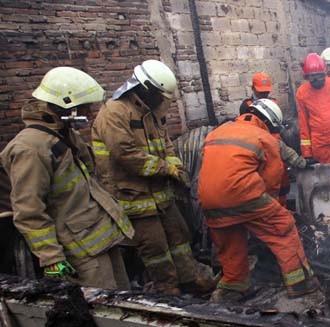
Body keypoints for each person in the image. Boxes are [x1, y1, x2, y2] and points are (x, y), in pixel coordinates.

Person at [0, 67, 134, 289]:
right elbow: (29, 212)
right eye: (85, 107)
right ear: (66, 105)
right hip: (79, 255)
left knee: (125, 300)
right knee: (104, 312)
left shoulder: (64, 134)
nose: (90, 113)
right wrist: (54, 262)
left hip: (99, 241)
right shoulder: (30, 149)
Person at [92, 59, 214, 296]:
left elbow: (166, 145)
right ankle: (167, 288)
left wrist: (177, 168)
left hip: (160, 194)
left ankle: (191, 279)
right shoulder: (114, 113)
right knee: (155, 247)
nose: (163, 101)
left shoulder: (150, 112)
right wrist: (165, 170)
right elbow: (126, 154)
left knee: (179, 237)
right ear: (146, 88)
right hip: (134, 196)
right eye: (160, 95)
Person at [198, 99, 319, 302]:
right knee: (283, 228)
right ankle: (300, 283)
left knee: (231, 243)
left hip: (209, 201)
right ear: (267, 121)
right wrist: (272, 209)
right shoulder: (263, 137)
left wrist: (301, 161)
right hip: (244, 195)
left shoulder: (219, 131)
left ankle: (232, 290)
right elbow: (271, 180)